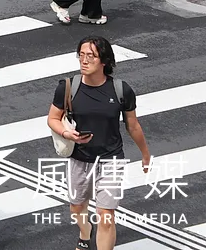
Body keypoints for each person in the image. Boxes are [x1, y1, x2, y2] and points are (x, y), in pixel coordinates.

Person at [47, 36, 150, 250]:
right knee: (76, 209)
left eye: (90, 56)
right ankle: (85, 236)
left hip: (111, 159)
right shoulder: (68, 87)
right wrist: (68, 135)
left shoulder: (121, 90)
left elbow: (133, 125)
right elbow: (53, 119)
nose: (84, 60)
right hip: (79, 159)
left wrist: (145, 154)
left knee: (106, 215)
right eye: (81, 55)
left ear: (104, 60)